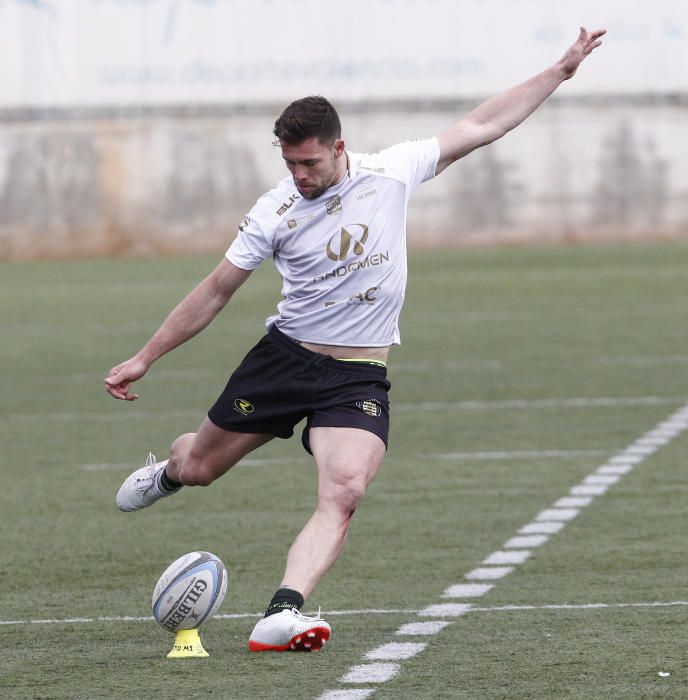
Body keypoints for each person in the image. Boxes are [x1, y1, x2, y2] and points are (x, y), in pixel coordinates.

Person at [106, 27, 605, 652]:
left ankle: (282, 612)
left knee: (345, 490)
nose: (299, 175)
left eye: (309, 162)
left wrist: (558, 70)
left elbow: (482, 124)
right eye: (288, 163)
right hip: (284, 361)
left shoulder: (391, 172)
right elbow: (215, 291)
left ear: (339, 147)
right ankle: (170, 474)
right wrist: (145, 357)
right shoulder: (274, 211)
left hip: (357, 375)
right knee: (201, 466)